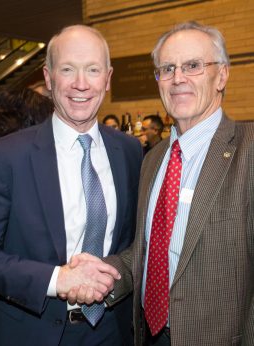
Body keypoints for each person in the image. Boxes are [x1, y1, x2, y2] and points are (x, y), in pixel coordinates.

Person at [102, 21, 254, 345]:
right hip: (148, 335)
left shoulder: (249, 150)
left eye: (193, 66)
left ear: (222, 75)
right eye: (167, 68)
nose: (178, 78)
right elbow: (148, 252)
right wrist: (101, 274)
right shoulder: (153, 160)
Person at [0, 25, 143, 346]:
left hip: (113, 330)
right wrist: (56, 279)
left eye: (92, 70)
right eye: (67, 70)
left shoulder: (130, 151)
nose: (80, 84)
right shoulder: (6, 157)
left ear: (108, 77)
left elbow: (135, 241)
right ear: (48, 78)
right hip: (32, 332)